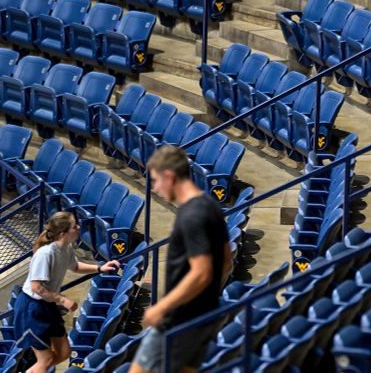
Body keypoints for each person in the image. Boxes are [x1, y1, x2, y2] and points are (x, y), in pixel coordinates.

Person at [130, 145, 231, 373]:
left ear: (169, 176)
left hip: (180, 318)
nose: (155, 188)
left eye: (156, 181)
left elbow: (202, 272)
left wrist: (161, 307)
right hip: (205, 315)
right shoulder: (211, 206)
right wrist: (206, 298)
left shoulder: (191, 216)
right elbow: (226, 261)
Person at [14, 211, 121, 373]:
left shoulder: (66, 248)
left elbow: (75, 266)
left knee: (64, 352)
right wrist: (62, 300)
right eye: (74, 226)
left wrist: (100, 268)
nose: (79, 227)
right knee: (46, 359)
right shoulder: (45, 254)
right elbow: (36, 287)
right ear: (63, 233)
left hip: (47, 306)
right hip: (32, 308)